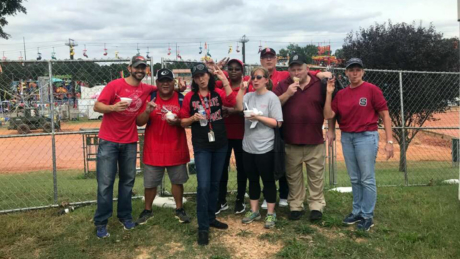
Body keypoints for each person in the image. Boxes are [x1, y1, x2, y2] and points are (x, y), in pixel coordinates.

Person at [323, 58, 394, 231]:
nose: (354, 73)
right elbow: (329, 114)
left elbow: (385, 115)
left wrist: (389, 141)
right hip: (348, 137)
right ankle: (357, 211)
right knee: (354, 178)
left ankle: (367, 215)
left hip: (366, 136)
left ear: (362, 72)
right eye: (351, 70)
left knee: (367, 178)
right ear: (346, 73)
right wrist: (329, 93)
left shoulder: (371, 90)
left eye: (357, 70)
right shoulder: (341, 94)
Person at [93, 55, 156, 238]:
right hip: (109, 140)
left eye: (143, 68)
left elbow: (162, 87)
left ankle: (125, 216)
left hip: (129, 141)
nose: (140, 71)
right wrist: (113, 108)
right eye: (137, 67)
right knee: (105, 183)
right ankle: (102, 222)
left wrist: (179, 86)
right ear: (129, 68)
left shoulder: (146, 89)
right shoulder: (115, 85)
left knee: (127, 182)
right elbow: (97, 106)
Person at [179, 63, 236, 246]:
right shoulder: (190, 97)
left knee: (214, 183)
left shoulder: (218, 92)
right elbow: (182, 121)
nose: (201, 79)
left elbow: (233, 101)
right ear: (194, 80)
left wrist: (224, 78)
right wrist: (192, 118)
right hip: (202, 145)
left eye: (203, 75)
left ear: (209, 76)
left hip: (220, 143)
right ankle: (203, 227)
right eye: (197, 77)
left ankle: (211, 217)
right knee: (203, 185)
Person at [274, 54, 334, 222]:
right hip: (291, 140)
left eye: (299, 68)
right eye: (293, 69)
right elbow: (272, 105)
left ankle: (316, 206)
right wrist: (287, 94)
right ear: (288, 71)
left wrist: (330, 129)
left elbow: (329, 107)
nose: (296, 72)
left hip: (314, 139)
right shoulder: (283, 85)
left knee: (316, 176)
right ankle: (296, 206)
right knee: (294, 177)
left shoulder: (319, 84)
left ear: (307, 68)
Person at [135, 68, 191, 225]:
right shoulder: (150, 98)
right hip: (154, 148)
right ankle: (147, 210)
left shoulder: (181, 99)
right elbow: (139, 122)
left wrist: (178, 122)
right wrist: (147, 111)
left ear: (173, 82)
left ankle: (179, 209)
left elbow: (187, 120)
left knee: (177, 181)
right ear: (157, 83)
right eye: (162, 81)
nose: (165, 84)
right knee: (150, 183)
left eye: (168, 81)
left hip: (176, 147)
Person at [235, 67, 283, 229]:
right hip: (248, 146)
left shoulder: (272, 98)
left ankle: (270, 213)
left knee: (268, 181)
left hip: (266, 147)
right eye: (253, 77)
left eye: (259, 77)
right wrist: (242, 90)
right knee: (252, 180)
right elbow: (238, 107)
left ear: (266, 79)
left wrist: (259, 117)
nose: (255, 80)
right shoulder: (248, 96)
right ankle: (254, 210)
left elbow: (277, 123)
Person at [215, 59, 250, 215]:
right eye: (231, 69)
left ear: (242, 71)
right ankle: (221, 200)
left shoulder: (247, 85)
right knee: (222, 168)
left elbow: (244, 107)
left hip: (243, 133)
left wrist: (230, 110)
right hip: (224, 133)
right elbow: (208, 83)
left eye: (237, 69)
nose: (234, 71)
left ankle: (240, 199)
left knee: (242, 168)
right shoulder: (221, 84)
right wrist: (216, 69)